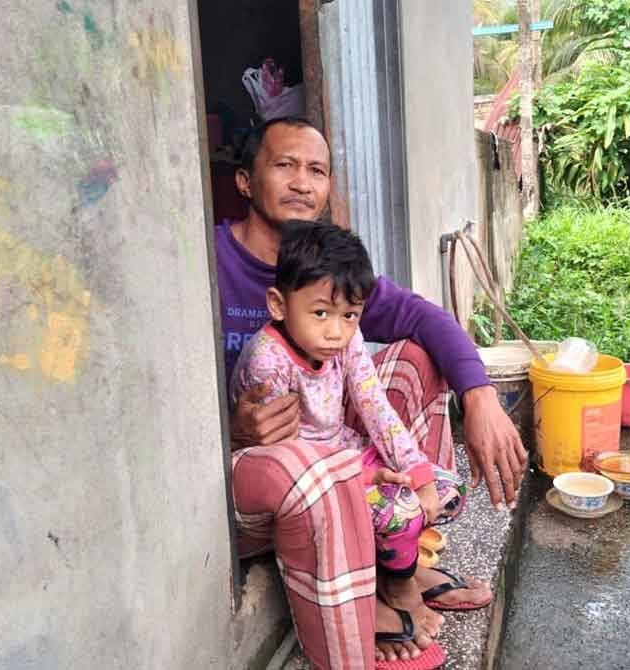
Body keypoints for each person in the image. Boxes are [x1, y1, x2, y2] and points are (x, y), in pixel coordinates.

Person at [219, 117, 527, 669]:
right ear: (245, 180)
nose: (302, 182)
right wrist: (232, 430)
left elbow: (421, 323)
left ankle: (400, 557)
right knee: (309, 471)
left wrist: (479, 396)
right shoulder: (207, 266)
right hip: (252, 474)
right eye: (285, 165)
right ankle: (368, 605)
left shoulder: (332, 278)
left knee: (417, 358)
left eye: (317, 170)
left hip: (330, 451)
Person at [231, 221, 474, 669]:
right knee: (398, 511)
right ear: (278, 305)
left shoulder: (347, 339)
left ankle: (394, 569)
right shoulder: (268, 361)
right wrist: (362, 475)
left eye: (350, 315)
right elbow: (285, 457)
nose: (336, 332)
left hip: (344, 451)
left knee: (446, 491)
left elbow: (375, 407)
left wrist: (418, 473)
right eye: (320, 313)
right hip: (306, 475)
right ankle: (397, 587)